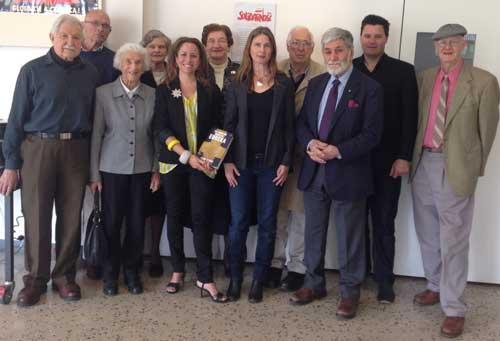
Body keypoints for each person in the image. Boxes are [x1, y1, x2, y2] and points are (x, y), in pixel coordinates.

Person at [0, 14, 98, 307]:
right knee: (37, 215)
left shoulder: (90, 72)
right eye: (65, 36)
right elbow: (16, 119)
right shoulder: (31, 71)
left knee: (71, 216)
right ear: (52, 37)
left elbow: (96, 118)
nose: (71, 42)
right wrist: (11, 164)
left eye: (76, 37)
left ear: (83, 42)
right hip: (37, 149)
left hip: (77, 149)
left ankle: (64, 277)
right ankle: (36, 280)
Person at [410, 23, 499, 338]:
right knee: (428, 234)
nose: (447, 47)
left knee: (454, 241)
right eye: (441, 42)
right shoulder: (424, 78)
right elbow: (417, 122)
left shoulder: (485, 82)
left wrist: (472, 167)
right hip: (423, 163)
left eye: (453, 42)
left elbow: (486, 132)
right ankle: (434, 286)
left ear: (464, 45)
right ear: (435, 47)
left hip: (456, 167)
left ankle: (455, 308)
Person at [291, 27, 383, 320]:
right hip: (314, 170)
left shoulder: (369, 88)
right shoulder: (316, 84)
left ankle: (349, 292)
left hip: (348, 173)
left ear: (350, 52)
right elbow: (302, 123)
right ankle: (313, 283)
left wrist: (337, 151)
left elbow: (372, 135)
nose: (333, 56)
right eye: (328, 51)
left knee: (350, 238)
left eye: (339, 50)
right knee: (313, 233)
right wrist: (309, 144)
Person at [223, 26, 295, 303]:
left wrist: (286, 161)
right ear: (249, 49)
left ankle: (258, 282)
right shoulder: (236, 83)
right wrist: (226, 162)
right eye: (257, 45)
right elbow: (227, 125)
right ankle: (236, 279)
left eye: (266, 45)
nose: (261, 50)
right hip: (239, 165)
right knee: (238, 223)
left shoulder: (283, 84)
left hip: (271, 166)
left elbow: (289, 127)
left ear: (272, 50)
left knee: (267, 224)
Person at [153, 37, 227, 303]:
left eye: (193, 55)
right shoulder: (164, 90)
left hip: (203, 164)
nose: (188, 60)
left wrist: (208, 157)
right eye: (183, 55)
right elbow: (160, 129)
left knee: (201, 218)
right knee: (173, 216)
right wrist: (185, 155)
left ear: (200, 59)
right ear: (175, 58)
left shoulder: (210, 89)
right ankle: (177, 270)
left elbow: (219, 127)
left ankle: (205, 276)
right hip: (174, 163)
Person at [352, 14, 418, 303]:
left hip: (388, 162)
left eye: (378, 36)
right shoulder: (349, 68)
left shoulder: (403, 71)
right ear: (361, 36)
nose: (372, 40)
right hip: (353, 162)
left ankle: (384, 279)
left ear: (386, 39)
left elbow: (410, 118)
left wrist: (404, 156)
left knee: (383, 221)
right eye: (367, 35)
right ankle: (358, 273)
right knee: (354, 221)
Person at [89, 43, 158, 296]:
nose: (133, 67)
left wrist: (155, 169)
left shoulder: (153, 94)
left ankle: (131, 272)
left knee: (137, 225)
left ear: (144, 66)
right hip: (111, 170)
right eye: (128, 62)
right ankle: (110, 274)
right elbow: (96, 135)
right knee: (111, 224)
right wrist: (94, 174)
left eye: (138, 62)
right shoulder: (103, 94)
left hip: (142, 170)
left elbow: (156, 136)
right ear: (119, 64)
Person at [267, 25, 325, 291]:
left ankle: (298, 267)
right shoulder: (273, 69)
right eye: (295, 43)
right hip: (276, 154)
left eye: (306, 43)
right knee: (276, 212)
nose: (300, 48)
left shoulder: (322, 74)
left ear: (312, 48)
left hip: (306, 155)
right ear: (287, 45)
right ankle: (274, 263)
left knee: (301, 213)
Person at [201, 23, 240, 276]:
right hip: (204, 146)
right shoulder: (197, 70)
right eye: (211, 40)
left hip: (234, 146)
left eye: (221, 40)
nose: (216, 45)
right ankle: (204, 260)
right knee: (204, 202)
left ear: (229, 44)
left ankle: (229, 256)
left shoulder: (241, 71)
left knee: (230, 203)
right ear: (205, 44)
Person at [140, 29, 172, 278]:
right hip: (140, 143)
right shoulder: (137, 72)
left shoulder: (173, 74)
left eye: (161, 47)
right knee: (138, 202)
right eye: (152, 46)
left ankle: (154, 253)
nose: (157, 51)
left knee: (159, 203)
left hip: (167, 143)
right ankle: (135, 252)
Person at [80, 9, 119, 86]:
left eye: (105, 26)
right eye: (95, 23)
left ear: (109, 31)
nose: (100, 29)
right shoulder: (70, 54)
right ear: (83, 25)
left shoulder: (116, 59)